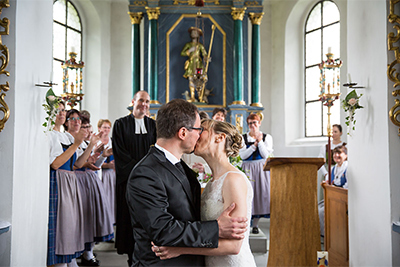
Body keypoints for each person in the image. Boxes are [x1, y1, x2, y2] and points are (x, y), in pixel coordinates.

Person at [125, 99, 248, 266]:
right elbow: (162, 229)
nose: (199, 135)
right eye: (198, 129)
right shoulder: (145, 173)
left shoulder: (182, 167)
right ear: (183, 133)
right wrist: (216, 228)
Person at [151, 118, 256, 266]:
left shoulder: (233, 179)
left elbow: (234, 246)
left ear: (220, 137)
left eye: (202, 130)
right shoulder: (211, 184)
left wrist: (180, 249)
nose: (196, 134)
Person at [112, 90, 157, 266]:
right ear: (133, 101)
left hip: (149, 182)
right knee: (129, 219)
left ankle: (147, 256)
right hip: (129, 182)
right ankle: (132, 257)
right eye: (140, 101)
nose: (144, 105)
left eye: (147, 102)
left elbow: (156, 151)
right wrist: (140, 171)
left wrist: (149, 173)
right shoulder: (120, 124)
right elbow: (120, 153)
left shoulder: (153, 125)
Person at [47, 102, 85, 267]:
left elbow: (77, 164)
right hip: (58, 182)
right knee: (60, 227)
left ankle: (70, 261)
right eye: (57, 110)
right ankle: (60, 262)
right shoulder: (50, 135)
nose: (61, 113)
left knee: (69, 225)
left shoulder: (67, 137)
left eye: (63, 110)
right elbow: (55, 164)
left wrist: (89, 145)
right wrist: (76, 144)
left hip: (69, 181)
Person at [72, 115, 114, 266]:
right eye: (85, 127)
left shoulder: (84, 143)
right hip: (79, 181)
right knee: (80, 220)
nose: (88, 130)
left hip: (90, 180)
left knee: (91, 218)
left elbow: (94, 164)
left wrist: (103, 155)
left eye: (88, 127)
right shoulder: (77, 143)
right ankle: (78, 254)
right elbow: (78, 164)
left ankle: (87, 252)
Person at [239, 113, 273, 234]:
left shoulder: (266, 137)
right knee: (247, 194)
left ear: (259, 123)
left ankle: (255, 225)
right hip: (247, 168)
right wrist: (254, 146)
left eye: (254, 122)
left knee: (260, 195)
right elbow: (242, 155)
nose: (252, 125)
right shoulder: (243, 137)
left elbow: (265, 155)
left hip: (261, 169)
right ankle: (246, 223)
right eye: (250, 123)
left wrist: (260, 142)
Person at [318, 145, 348, 236]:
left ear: (346, 155)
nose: (336, 155)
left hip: (342, 198)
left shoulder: (347, 168)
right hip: (333, 196)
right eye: (335, 153)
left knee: (322, 211)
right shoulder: (333, 169)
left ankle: (327, 235)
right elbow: (329, 181)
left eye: (339, 153)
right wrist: (326, 183)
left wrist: (334, 187)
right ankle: (324, 235)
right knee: (318, 207)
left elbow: (347, 186)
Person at [181, 27, 208, 103]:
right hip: (191, 64)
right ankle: (192, 97)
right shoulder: (188, 44)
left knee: (199, 80)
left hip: (198, 64)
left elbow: (205, 54)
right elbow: (182, 53)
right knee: (191, 79)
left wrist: (206, 58)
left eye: (195, 32)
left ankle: (200, 97)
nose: (194, 33)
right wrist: (190, 50)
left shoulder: (200, 46)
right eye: (192, 32)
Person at [98, 119, 116, 227]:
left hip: (112, 174)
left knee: (112, 199)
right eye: (104, 127)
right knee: (104, 199)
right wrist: (107, 165)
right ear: (99, 128)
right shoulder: (96, 141)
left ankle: (112, 222)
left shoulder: (112, 141)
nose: (107, 130)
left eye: (108, 127)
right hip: (102, 174)